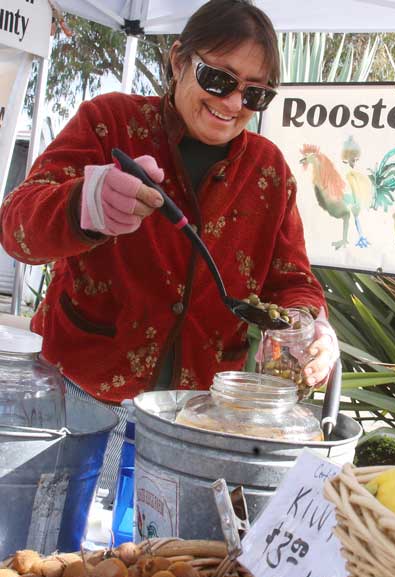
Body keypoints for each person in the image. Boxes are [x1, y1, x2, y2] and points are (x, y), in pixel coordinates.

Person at [0, 0, 339, 407]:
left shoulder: (269, 170)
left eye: (255, 94)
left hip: (200, 410)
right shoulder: (110, 122)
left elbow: (293, 281)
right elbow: (16, 230)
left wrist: (307, 323)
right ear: (178, 61)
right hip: (78, 393)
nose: (233, 104)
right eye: (217, 78)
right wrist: (83, 206)